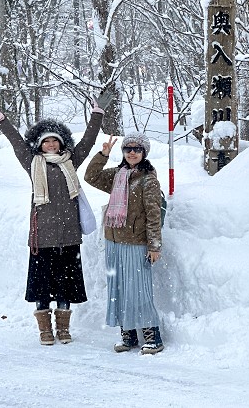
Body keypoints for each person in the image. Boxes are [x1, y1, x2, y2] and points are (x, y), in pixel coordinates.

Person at [0, 93, 110, 346]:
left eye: (55, 141)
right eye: (46, 141)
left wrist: (97, 114)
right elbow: (16, 140)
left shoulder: (70, 161)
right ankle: (45, 330)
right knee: (43, 287)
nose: (51, 145)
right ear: (39, 145)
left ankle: (63, 329)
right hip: (42, 237)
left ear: (62, 144)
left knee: (66, 286)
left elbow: (88, 141)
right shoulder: (32, 163)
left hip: (69, 235)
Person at [83, 131, 165, 354]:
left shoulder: (148, 180)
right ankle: (128, 335)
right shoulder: (117, 175)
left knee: (139, 290)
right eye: (128, 149)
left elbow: (153, 214)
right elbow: (90, 177)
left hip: (136, 243)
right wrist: (103, 154)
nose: (132, 152)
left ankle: (152, 336)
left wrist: (154, 245)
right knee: (118, 289)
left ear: (144, 153)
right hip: (113, 241)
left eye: (137, 149)